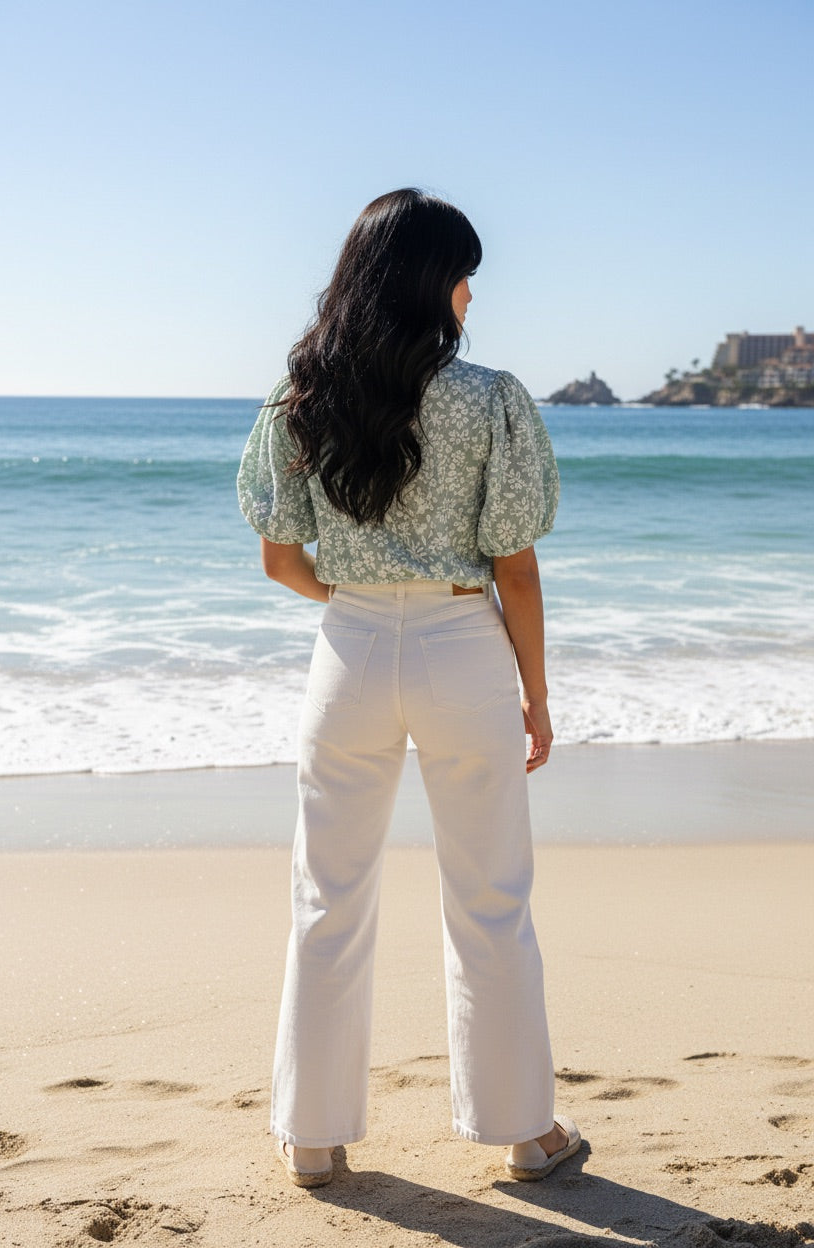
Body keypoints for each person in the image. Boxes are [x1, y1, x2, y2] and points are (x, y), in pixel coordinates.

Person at [237, 188, 580, 1189]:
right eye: (465, 273)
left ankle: (311, 1139)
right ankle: (526, 1135)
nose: (472, 292)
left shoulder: (299, 392)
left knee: (326, 897)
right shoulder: (489, 397)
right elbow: (513, 565)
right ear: (440, 284)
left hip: (345, 653)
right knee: (489, 897)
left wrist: (356, 597)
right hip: (462, 645)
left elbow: (280, 561)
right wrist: (536, 692)